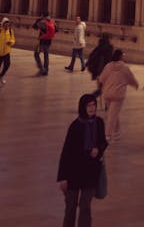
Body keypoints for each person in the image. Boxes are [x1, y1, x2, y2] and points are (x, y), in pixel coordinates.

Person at [57, 93, 107, 227]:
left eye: (93, 105)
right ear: (82, 107)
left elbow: (103, 142)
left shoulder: (99, 123)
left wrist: (98, 149)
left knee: (85, 206)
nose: (92, 108)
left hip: (90, 172)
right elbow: (66, 152)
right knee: (71, 208)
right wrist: (63, 177)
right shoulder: (75, 126)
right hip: (73, 172)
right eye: (88, 106)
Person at [98, 49, 139, 141]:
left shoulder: (108, 66)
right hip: (118, 95)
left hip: (107, 93)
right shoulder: (124, 67)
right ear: (121, 56)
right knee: (111, 115)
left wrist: (101, 88)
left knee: (113, 113)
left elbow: (101, 78)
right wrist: (135, 84)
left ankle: (117, 132)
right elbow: (130, 78)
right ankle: (107, 135)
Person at [32, 11, 56, 75]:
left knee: (36, 54)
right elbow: (56, 30)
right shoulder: (52, 21)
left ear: (42, 15)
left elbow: (34, 26)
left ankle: (41, 69)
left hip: (42, 41)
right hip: (49, 41)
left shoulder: (42, 22)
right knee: (46, 55)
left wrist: (39, 19)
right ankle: (46, 70)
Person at [0, 16, 15, 83]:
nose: (7, 25)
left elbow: (13, 39)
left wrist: (11, 42)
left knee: (7, 65)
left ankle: (1, 76)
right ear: (3, 24)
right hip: (0, 52)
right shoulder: (0, 30)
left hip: (6, 51)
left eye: (8, 24)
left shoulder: (10, 31)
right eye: (5, 24)